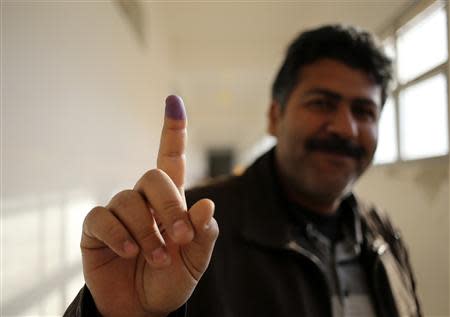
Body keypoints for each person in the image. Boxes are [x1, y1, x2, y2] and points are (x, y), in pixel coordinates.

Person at [65, 24, 422, 317]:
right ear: (274, 117)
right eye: (321, 103)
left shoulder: (383, 236)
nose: (346, 128)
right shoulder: (188, 232)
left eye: (364, 111)